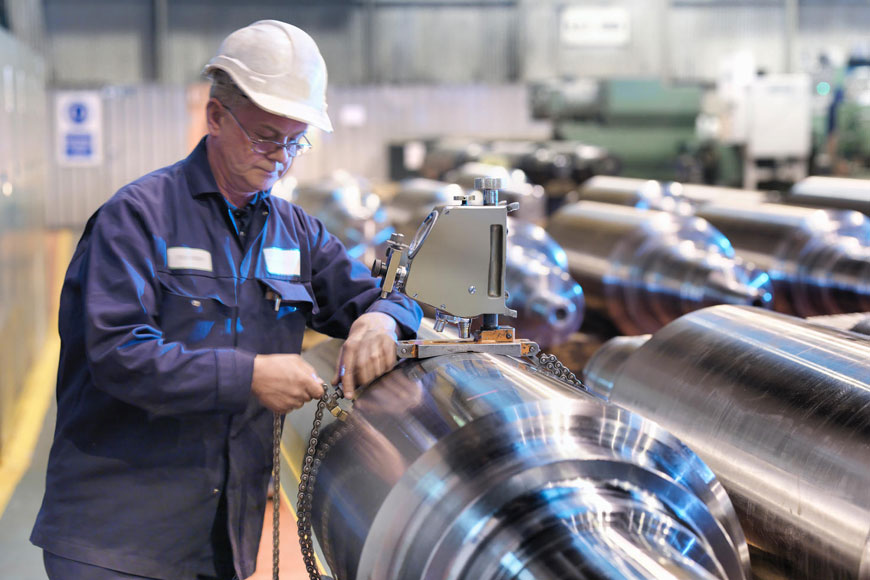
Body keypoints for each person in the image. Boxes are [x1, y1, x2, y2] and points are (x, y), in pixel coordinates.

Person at [30, 19, 422, 580]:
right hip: (117, 535)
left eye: (295, 141)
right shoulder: (138, 218)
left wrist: (383, 319)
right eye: (266, 137)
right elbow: (117, 355)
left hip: (223, 536)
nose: (281, 157)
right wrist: (250, 377)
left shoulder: (295, 232)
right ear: (215, 116)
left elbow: (379, 297)